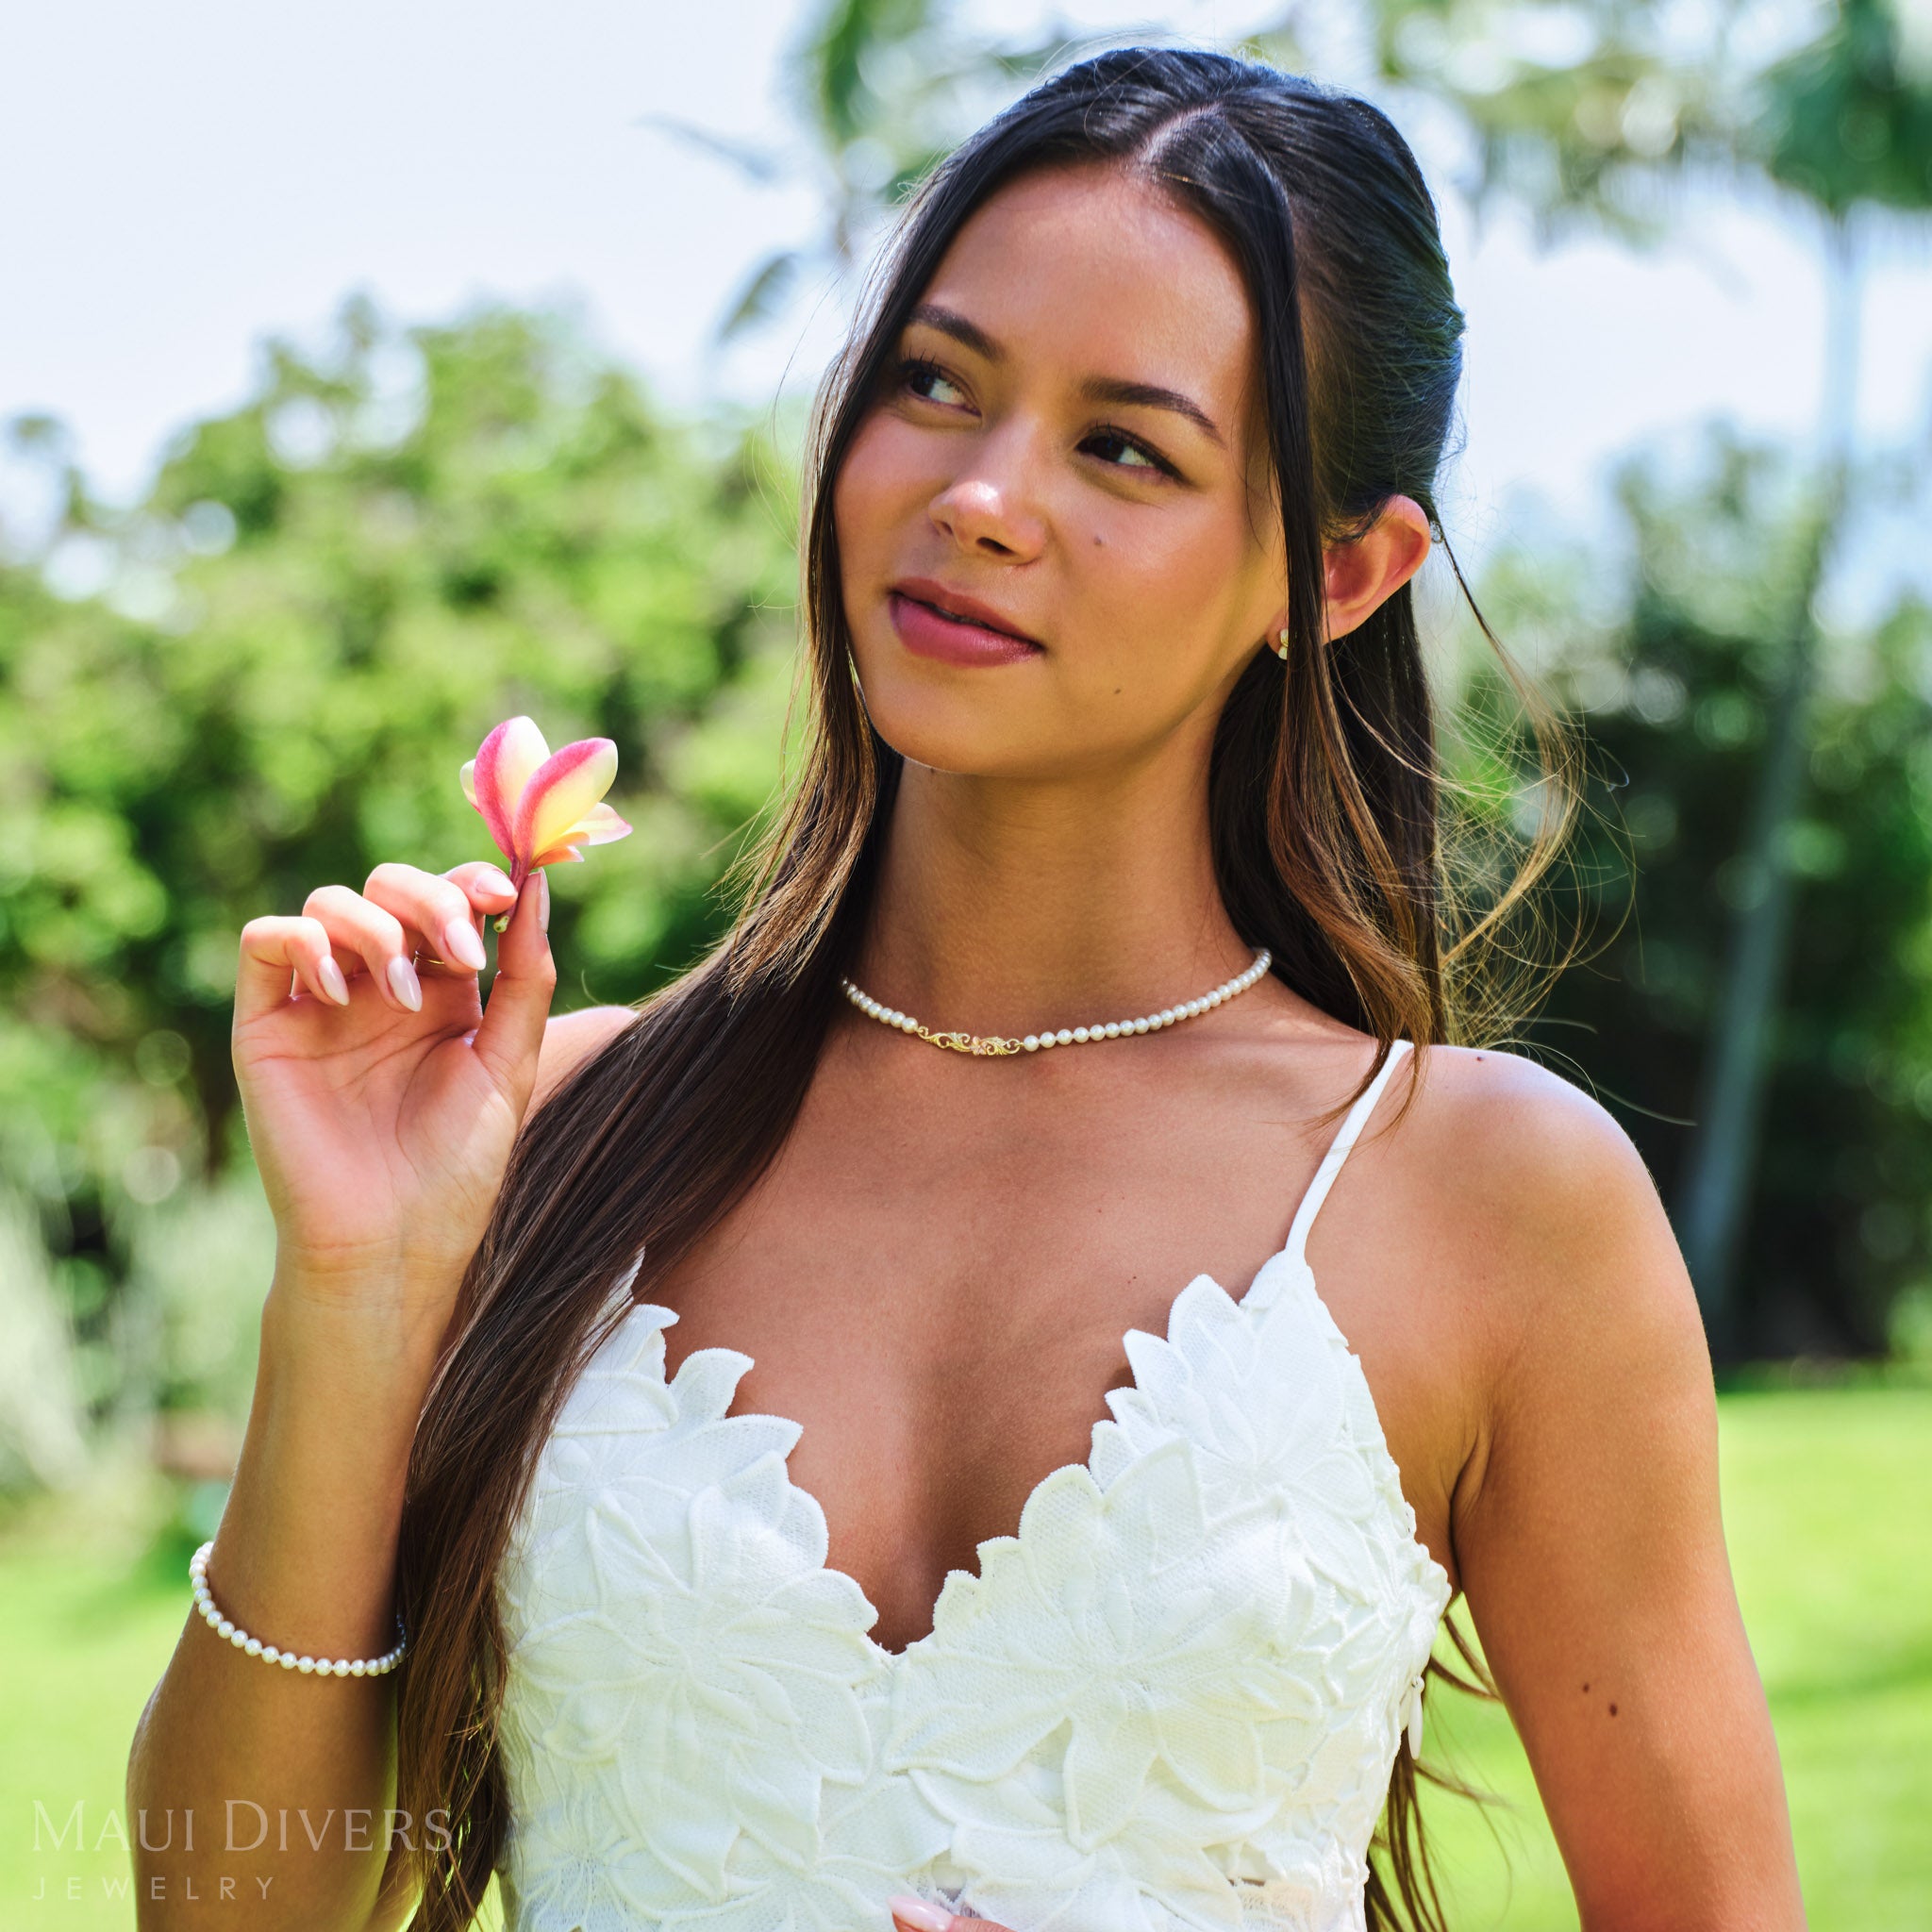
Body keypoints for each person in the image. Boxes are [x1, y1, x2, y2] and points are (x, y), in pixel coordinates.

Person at [128, 44, 1806, 1932]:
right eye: (934, 383)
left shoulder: (1489, 1196)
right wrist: (358, 1284)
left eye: (1123, 448)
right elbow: (220, 1912)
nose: (982, 497)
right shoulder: (539, 1137)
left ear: (1338, 574)